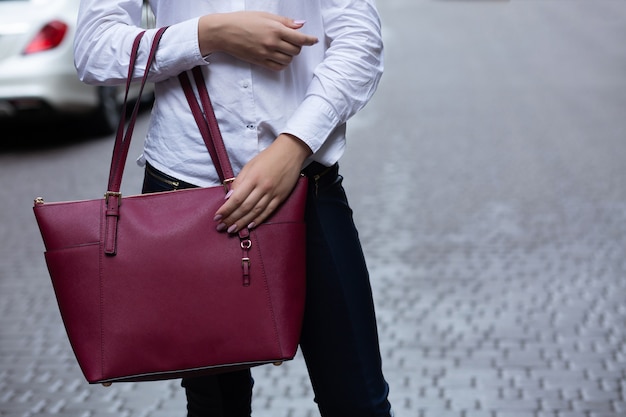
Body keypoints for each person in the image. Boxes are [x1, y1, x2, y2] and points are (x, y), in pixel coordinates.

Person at [74, 1, 392, 416]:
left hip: (304, 183)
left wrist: (294, 145)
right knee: (216, 404)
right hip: (183, 193)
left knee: (358, 400)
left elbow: (360, 40)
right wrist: (209, 34)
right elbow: (94, 48)